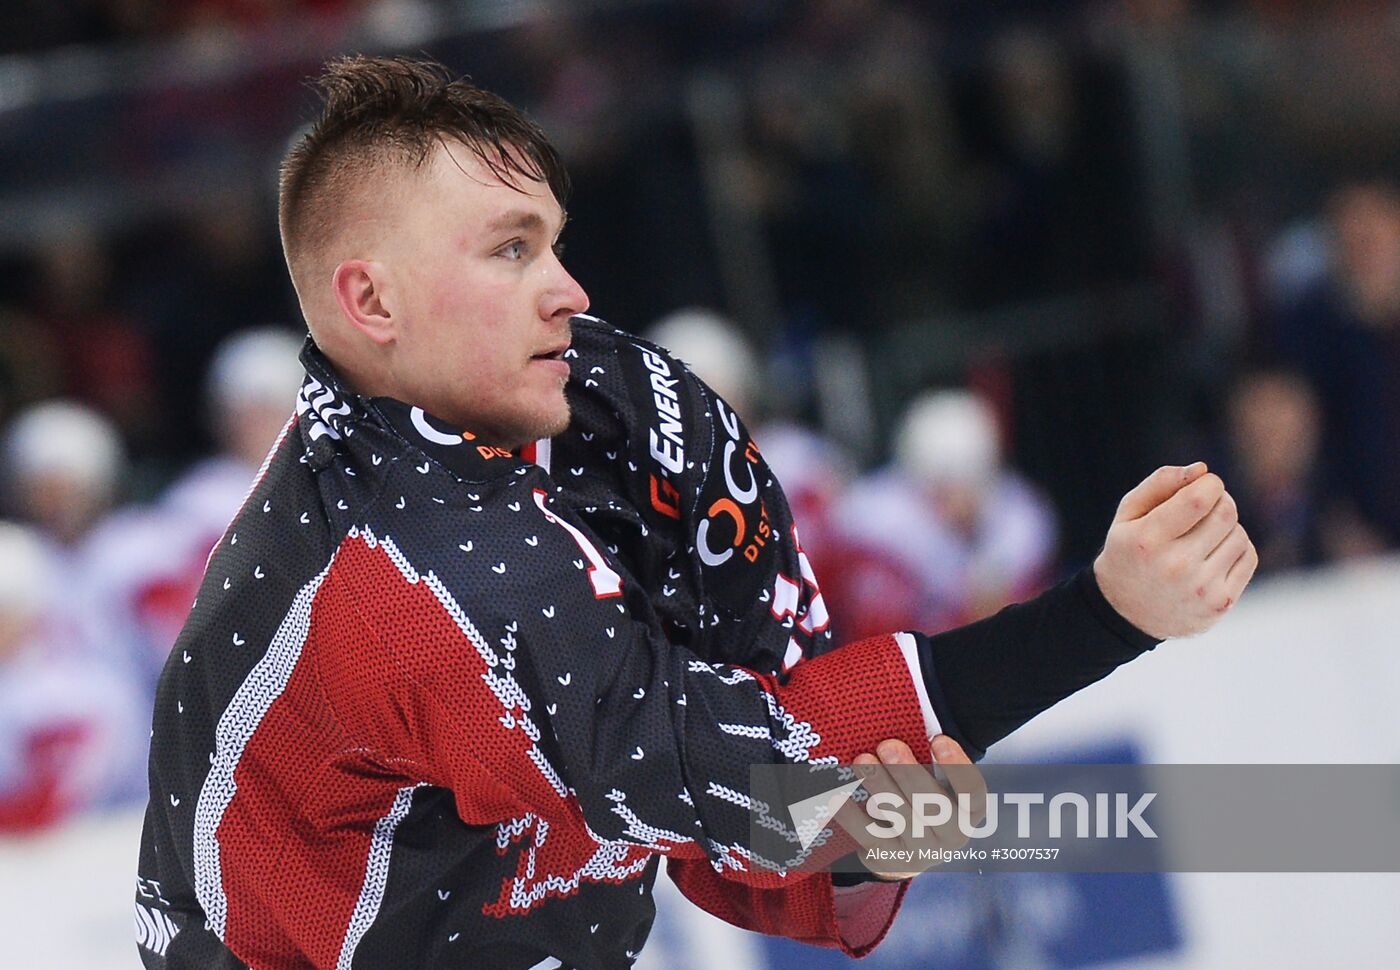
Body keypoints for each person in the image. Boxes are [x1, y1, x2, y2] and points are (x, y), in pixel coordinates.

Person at [136, 56, 1257, 970]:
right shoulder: (410, 574)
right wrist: (1104, 618)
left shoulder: (625, 408)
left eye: (554, 240)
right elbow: (730, 784)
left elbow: (780, 727)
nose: (567, 287)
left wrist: (865, 829)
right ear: (369, 300)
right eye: (509, 249)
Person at [824, 389, 1056, 642]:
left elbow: (1027, 629)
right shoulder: (872, 524)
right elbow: (876, 640)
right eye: (941, 484)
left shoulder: (1022, 519)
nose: (956, 497)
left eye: (967, 478)